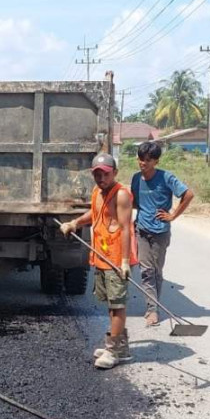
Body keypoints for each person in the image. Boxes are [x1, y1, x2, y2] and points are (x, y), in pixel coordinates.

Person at [59, 153, 137, 369]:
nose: (101, 178)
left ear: (115, 173)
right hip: (102, 256)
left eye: (105, 173)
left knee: (118, 305)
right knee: (111, 305)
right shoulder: (97, 192)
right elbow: (94, 214)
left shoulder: (121, 195)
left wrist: (123, 261)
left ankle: (114, 351)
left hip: (115, 259)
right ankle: (118, 344)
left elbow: (125, 229)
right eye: (97, 174)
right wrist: (74, 222)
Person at [130, 142, 194, 327]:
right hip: (141, 230)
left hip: (160, 232)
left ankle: (154, 304)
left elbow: (188, 194)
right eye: (141, 159)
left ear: (156, 161)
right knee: (146, 270)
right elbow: (135, 201)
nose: (143, 163)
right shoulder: (136, 179)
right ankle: (152, 310)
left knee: (156, 271)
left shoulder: (166, 178)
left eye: (148, 160)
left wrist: (173, 215)